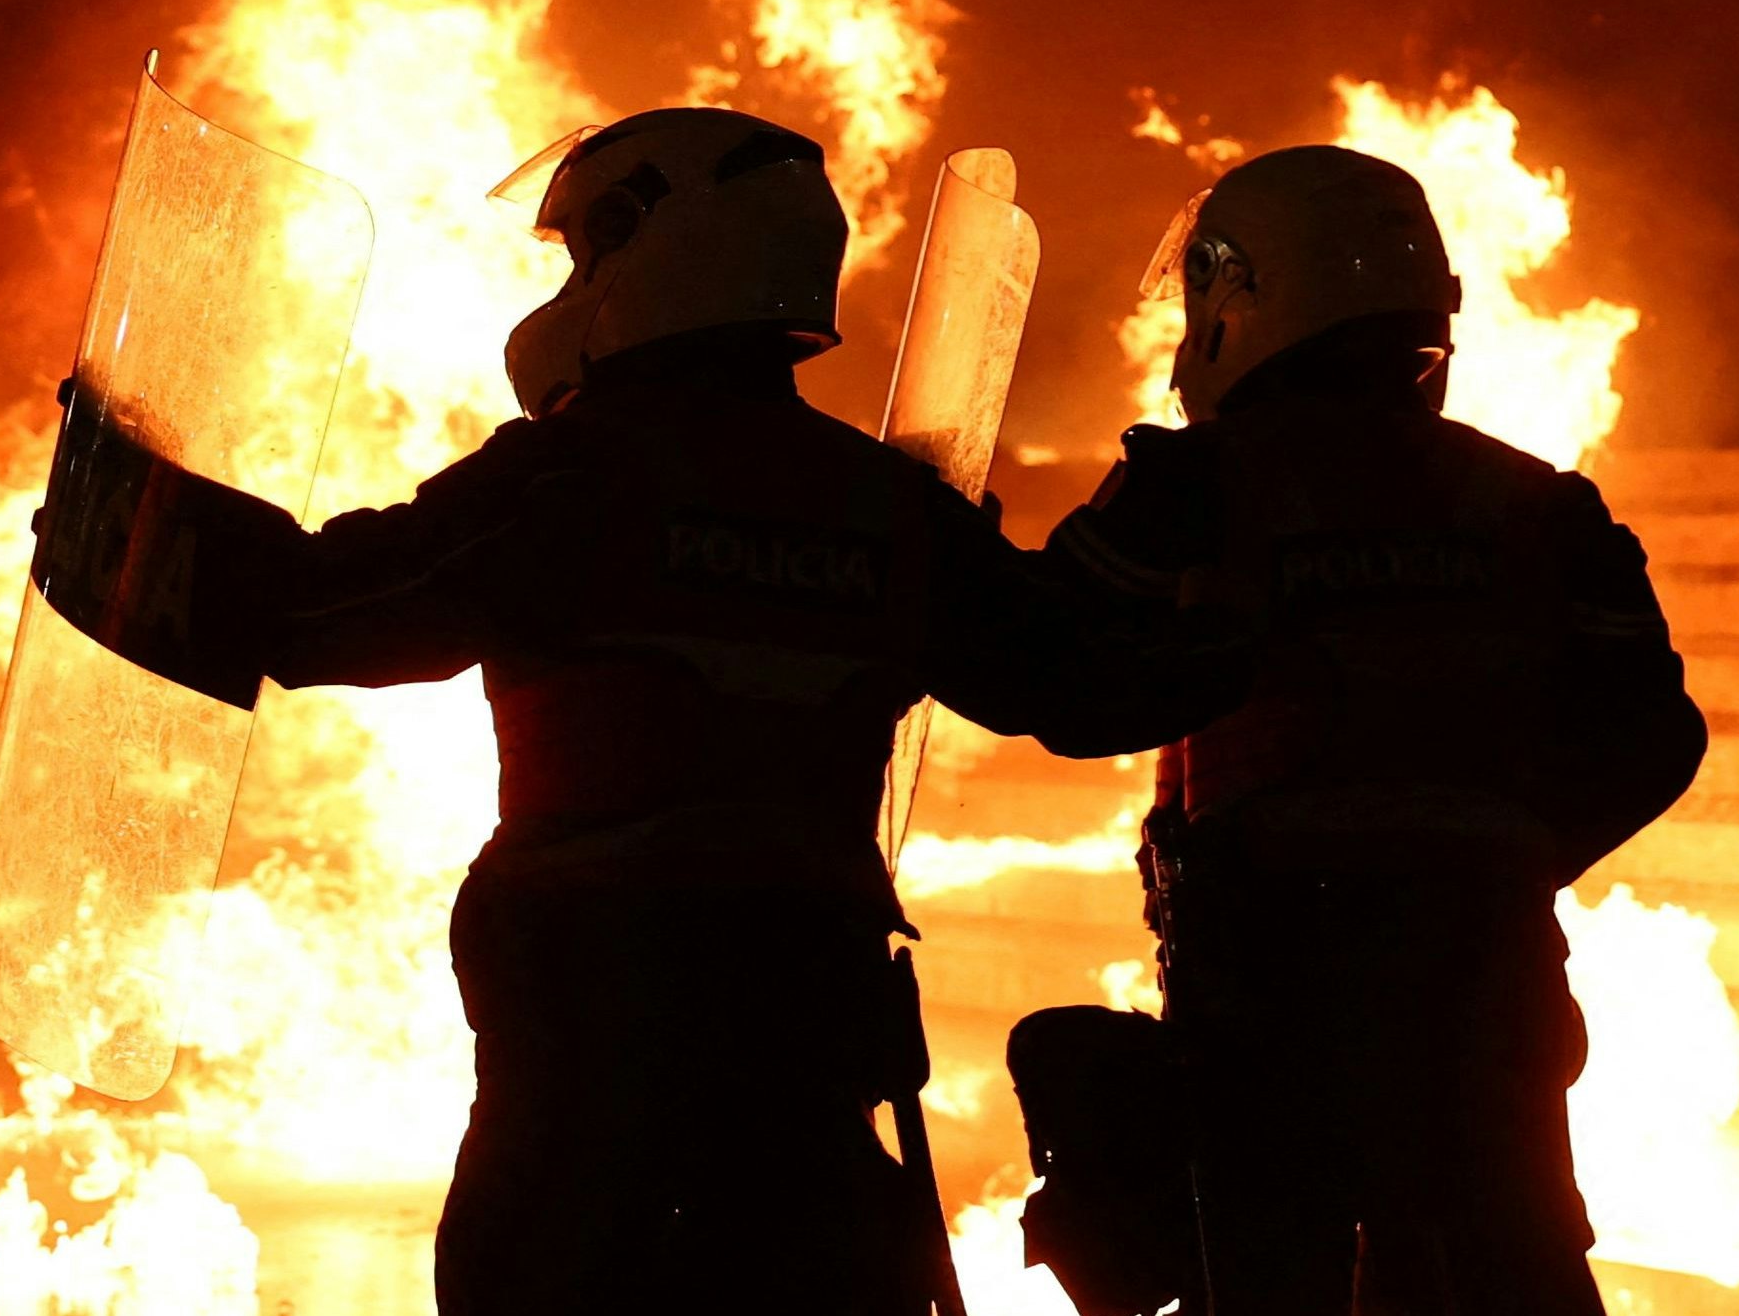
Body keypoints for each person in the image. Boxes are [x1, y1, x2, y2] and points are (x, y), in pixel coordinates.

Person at [166, 108, 1205, 1316]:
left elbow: (327, 614)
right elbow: (1076, 685)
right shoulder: (886, 510)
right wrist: (1171, 543)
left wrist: (141, 521)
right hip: (808, 1063)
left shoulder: (576, 480)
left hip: (590, 1072)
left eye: (580, 253)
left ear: (640, 245)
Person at [1018, 145, 1706, 1316]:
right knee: (1514, 1269)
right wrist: (1512, 847)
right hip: (1486, 983)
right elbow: (1656, 735)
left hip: (1268, 988)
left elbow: (1051, 681)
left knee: (1272, 1279)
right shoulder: (1539, 502)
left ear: (1240, 301)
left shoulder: (1193, 488)